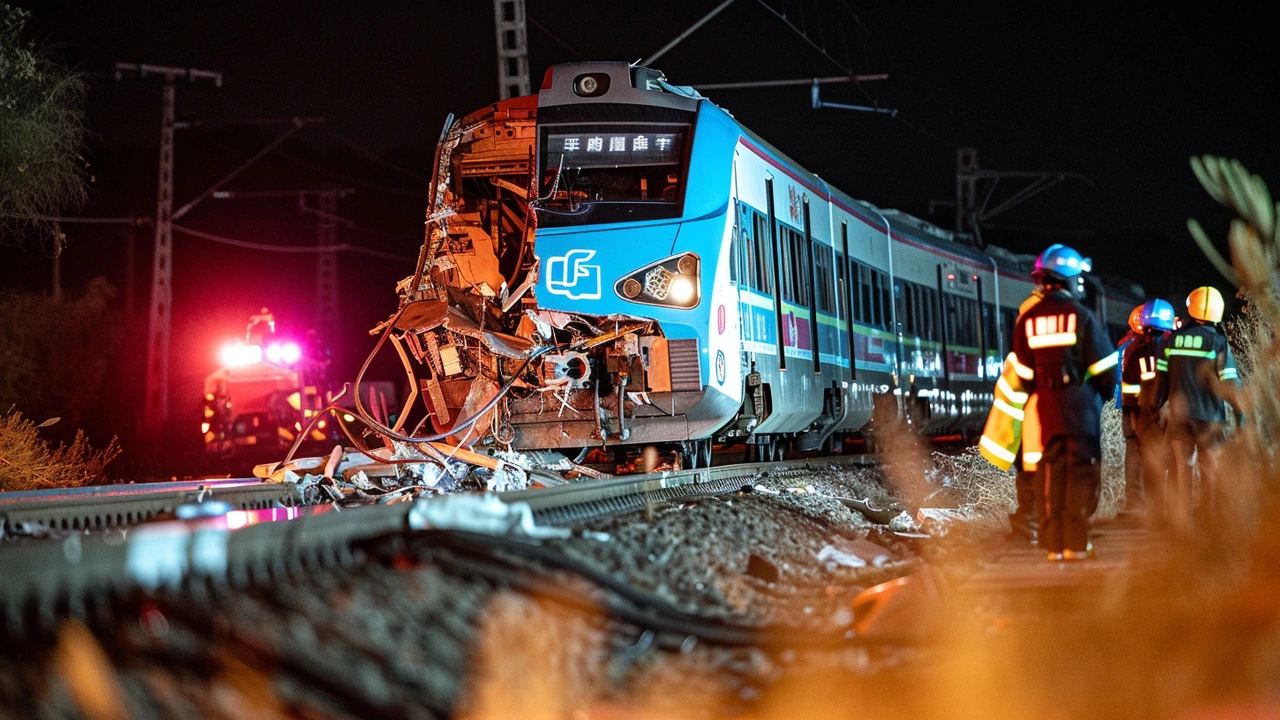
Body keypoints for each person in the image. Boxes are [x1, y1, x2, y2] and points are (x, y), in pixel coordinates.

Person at [1012, 244, 1117, 561]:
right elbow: (1105, 370)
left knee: (1050, 472)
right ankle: (1076, 543)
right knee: (1080, 473)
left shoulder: (1027, 320)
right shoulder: (1080, 316)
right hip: (1080, 407)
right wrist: (1100, 394)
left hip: (1045, 407)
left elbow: (1022, 372)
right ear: (1069, 278)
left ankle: (1053, 545)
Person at [1159, 286, 1241, 525]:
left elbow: (1160, 380)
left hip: (1179, 418)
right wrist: (1240, 417)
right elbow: (1231, 385)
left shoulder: (1172, 340)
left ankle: (1181, 523)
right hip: (1210, 420)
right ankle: (1209, 522)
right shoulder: (1218, 343)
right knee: (1210, 473)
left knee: (1182, 472)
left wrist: (1155, 410)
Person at [979, 285, 1046, 544]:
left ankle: (1030, 527)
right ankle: (1044, 525)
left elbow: (1008, 398)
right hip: (1059, 427)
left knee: (1031, 478)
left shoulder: (1018, 361)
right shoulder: (1073, 330)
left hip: (1029, 433)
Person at [1132, 299, 1177, 525]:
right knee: (1174, 467)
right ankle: (1174, 515)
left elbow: (1129, 393)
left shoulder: (1136, 354)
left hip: (1147, 419)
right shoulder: (1175, 351)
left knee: (1152, 469)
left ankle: (1155, 515)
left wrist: (1134, 419)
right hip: (1171, 416)